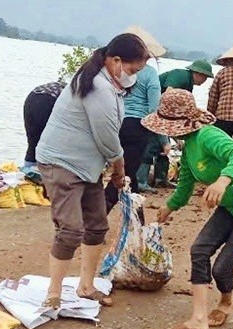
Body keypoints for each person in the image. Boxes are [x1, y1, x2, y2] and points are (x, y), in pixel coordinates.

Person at [144, 88, 233, 329]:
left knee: (222, 269)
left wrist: (223, 180)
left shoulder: (208, 136)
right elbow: (184, 185)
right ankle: (198, 319)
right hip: (229, 208)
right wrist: (169, 207)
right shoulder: (188, 149)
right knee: (199, 249)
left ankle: (226, 301)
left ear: (181, 124)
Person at [35, 33, 149, 308]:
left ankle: (86, 287)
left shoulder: (108, 83)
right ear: (116, 60)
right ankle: (54, 293)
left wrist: (113, 167)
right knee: (70, 230)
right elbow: (107, 136)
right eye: (132, 69)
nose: (132, 76)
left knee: (97, 225)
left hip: (88, 167)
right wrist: (119, 168)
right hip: (62, 163)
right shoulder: (97, 85)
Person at [103, 30, 167, 213]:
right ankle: (96, 219)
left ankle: (137, 219)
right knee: (126, 174)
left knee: (129, 174)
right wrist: (163, 139)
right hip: (137, 127)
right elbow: (154, 107)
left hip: (117, 123)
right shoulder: (149, 73)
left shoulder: (112, 71)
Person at [138, 60, 215, 192]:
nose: (205, 80)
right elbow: (169, 95)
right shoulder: (181, 75)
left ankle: (160, 179)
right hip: (156, 110)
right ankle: (141, 181)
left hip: (166, 114)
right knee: (152, 145)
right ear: (197, 73)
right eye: (205, 76)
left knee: (162, 148)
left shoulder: (188, 84)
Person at [21, 81, 66, 181]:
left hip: (32, 97)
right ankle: (45, 181)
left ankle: (28, 175)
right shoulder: (81, 97)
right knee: (53, 149)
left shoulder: (72, 90)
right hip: (49, 101)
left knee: (33, 143)